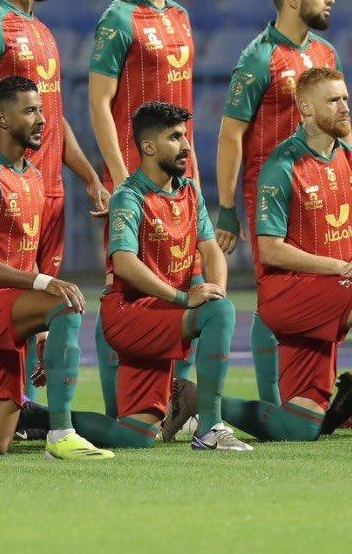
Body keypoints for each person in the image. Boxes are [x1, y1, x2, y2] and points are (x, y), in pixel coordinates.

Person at [0, 0, 110, 422]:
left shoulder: (41, 31)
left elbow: (52, 114)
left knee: (41, 302)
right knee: (5, 299)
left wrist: (88, 175)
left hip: (48, 189)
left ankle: (17, 408)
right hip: (9, 189)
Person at [220, 68, 352, 444]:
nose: (344, 107)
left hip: (327, 294)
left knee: (299, 428)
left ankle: (198, 403)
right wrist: (343, 267)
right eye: (333, 100)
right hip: (290, 295)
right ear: (307, 109)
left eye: (345, 99)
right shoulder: (282, 165)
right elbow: (270, 249)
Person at [0, 76, 115, 459]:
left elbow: (25, 257)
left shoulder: (33, 176)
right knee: (66, 303)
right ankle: (61, 432)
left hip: (9, 309)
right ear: (3, 119)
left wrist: (42, 333)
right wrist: (44, 284)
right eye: (30, 111)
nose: (42, 119)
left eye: (41, 110)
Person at [87, 0, 199, 431]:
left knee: (186, 281)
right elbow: (99, 103)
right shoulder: (118, 20)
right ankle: (120, 409)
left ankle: (177, 400)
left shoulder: (181, 17)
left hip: (180, 179)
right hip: (135, 180)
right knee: (123, 289)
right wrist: (119, 180)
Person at [213, 0, 340, 407]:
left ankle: (316, 396)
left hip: (321, 189)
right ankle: (271, 403)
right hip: (272, 193)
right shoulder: (259, 57)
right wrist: (226, 208)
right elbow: (231, 135)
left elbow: (340, 121)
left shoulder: (326, 54)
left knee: (324, 289)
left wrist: (348, 176)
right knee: (275, 293)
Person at [102, 102, 250, 451]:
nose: (186, 146)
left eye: (185, 137)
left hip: (162, 314)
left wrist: (216, 294)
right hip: (130, 314)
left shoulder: (190, 191)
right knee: (217, 312)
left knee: (134, 436)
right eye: (175, 137)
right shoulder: (129, 196)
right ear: (149, 147)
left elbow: (211, 249)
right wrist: (185, 299)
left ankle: (43, 421)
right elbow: (124, 263)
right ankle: (210, 428)